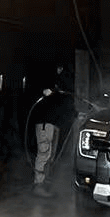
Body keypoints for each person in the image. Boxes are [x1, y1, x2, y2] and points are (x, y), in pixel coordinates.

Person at [27, 67, 78, 196]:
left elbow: (64, 99)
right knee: (44, 154)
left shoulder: (62, 80)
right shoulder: (44, 77)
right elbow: (34, 91)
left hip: (54, 124)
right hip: (45, 123)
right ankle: (38, 185)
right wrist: (44, 91)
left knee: (50, 156)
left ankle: (44, 184)